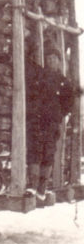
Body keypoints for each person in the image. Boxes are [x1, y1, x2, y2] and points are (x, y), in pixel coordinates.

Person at [25, 43, 77, 200]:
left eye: (54, 59)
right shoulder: (39, 76)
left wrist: (61, 114)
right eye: (49, 59)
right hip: (37, 120)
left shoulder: (64, 82)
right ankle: (33, 185)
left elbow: (69, 101)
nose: (51, 61)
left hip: (52, 122)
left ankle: (42, 187)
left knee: (48, 152)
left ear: (59, 61)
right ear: (46, 61)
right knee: (35, 149)